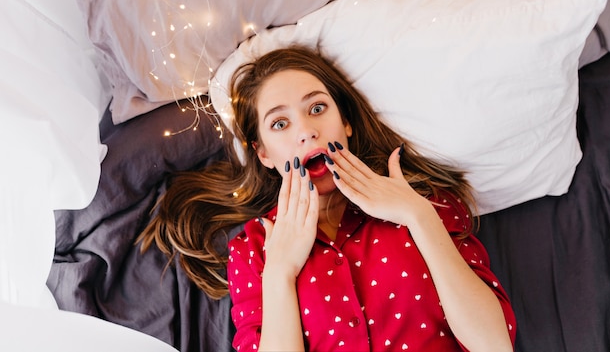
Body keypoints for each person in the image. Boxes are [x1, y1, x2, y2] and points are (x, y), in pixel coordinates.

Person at [140, 46, 516, 351]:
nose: (306, 131)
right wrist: (280, 273)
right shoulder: (254, 250)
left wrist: (419, 216)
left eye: (317, 108)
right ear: (264, 154)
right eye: (280, 123)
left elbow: (494, 345)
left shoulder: (424, 202)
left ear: (346, 123)